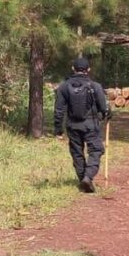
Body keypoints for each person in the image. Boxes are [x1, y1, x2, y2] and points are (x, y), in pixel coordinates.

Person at [54, 56, 111, 193]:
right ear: (88, 69)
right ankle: (88, 177)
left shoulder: (63, 87)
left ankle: (83, 180)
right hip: (90, 125)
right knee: (96, 150)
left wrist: (58, 129)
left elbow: (59, 110)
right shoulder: (95, 86)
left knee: (77, 153)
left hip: (72, 126)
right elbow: (104, 108)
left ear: (73, 69)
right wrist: (107, 114)